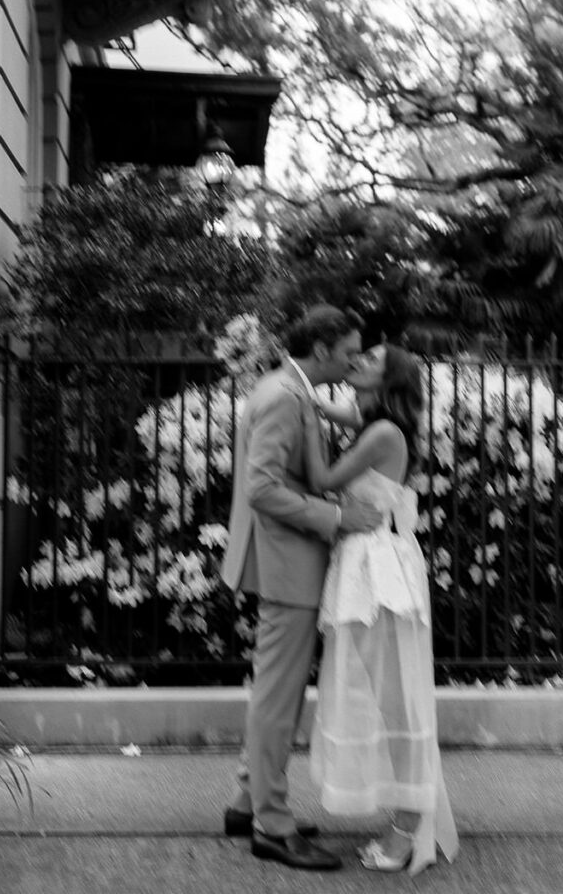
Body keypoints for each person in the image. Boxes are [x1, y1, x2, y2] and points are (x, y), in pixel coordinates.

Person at [220, 305, 383, 871]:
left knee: (277, 692)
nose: (353, 360)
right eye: (347, 352)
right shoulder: (284, 397)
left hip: (290, 563)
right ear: (320, 349)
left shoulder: (291, 389)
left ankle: (247, 802)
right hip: (286, 565)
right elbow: (263, 489)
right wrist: (336, 520)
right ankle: (272, 823)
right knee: (277, 697)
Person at [304, 343, 459, 876]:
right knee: (383, 693)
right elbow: (335, 408)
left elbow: (323, 480)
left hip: (379, 571)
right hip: (366, 562)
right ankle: (409, 817)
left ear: (387, 378)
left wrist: (304, 426)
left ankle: (409, 828)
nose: (358, 359)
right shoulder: (375, 421)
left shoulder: (382, 433)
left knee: (396, 704)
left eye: (369, 358)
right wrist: (306, 394)